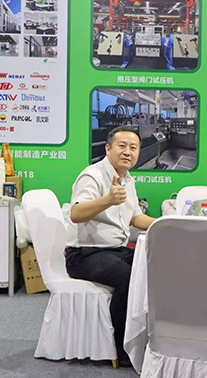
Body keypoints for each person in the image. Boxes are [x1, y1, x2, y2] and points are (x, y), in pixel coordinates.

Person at [66, 126, 155, 365]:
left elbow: (136, 218)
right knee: (129, 278)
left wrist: (167, 222)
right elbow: (75, 214)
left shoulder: (128, 179)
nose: (128, 152)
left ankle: (148, 338)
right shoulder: (92, 175)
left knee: (155, 268)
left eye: (133, 148)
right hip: (85, 253)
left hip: (116, 250)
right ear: (108, 148)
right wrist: (108, 200)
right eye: (122, 146)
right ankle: (121, 348)